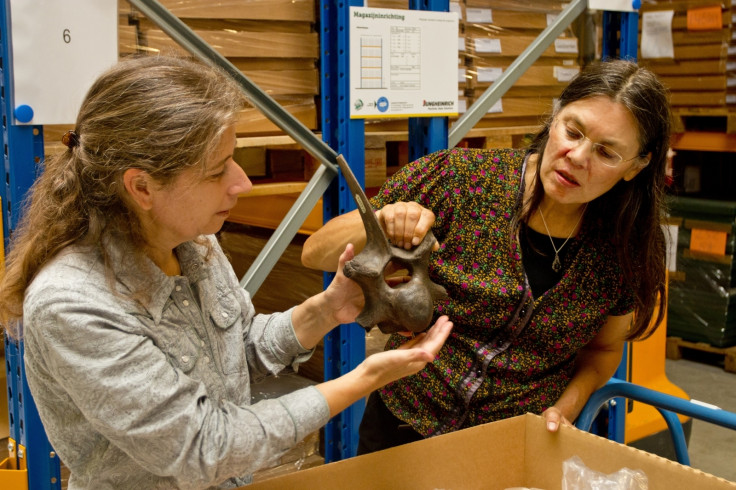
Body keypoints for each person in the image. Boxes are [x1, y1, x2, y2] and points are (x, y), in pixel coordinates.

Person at [0, 55, 453, 489]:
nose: (242, 183)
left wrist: (326, 310)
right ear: (141, 187)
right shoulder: (73, 304)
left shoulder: (193, 241)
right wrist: (365, 379)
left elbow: (235, 353)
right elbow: (205, 447)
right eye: (217, 171)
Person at [301, 59, 671, 453]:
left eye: (607, 153)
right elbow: (315, 253)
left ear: (637, 165)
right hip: (403, 427)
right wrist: (381, 222)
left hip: (512, 444)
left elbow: (603, 349)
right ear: (555, 114)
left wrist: (567, 407)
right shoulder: (460, 181)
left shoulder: (626, 247)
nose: (577, 156)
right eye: (572, 131)